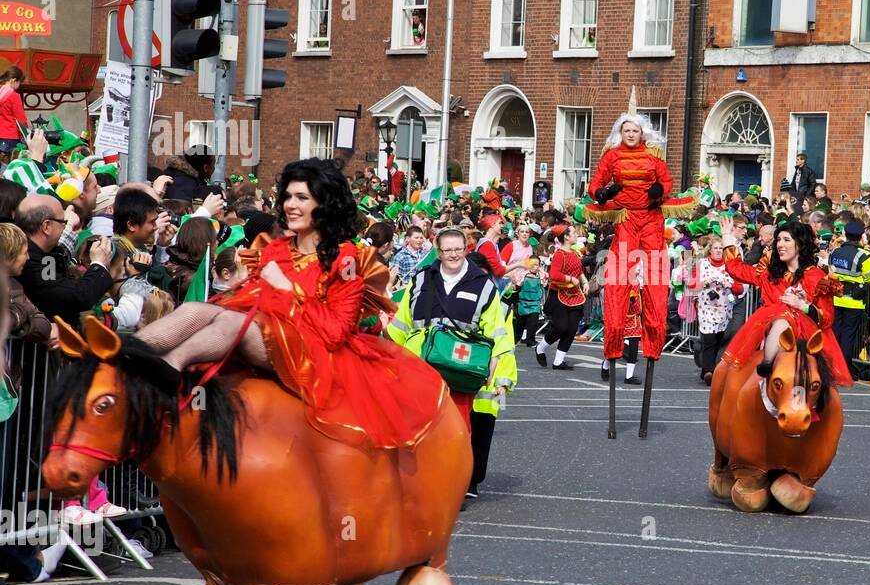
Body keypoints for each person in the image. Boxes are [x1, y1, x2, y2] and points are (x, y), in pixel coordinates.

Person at [135, 158, 448, 451]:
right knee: (198, 311)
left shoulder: (347, 259)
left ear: (324, 204)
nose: (291, 205)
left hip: (314, 355)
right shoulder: (276, 249)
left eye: (302, 197)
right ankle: (123, 351)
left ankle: (169, 368)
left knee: (231, 323)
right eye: (288, 196)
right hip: (266, 334)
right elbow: (249, 302)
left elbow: (336, 332)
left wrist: (288, 288)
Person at [388, 231, 516, 502]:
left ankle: (452, 489)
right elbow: (400, 325)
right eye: (448, 250)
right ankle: (415, 486)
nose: (454, 254)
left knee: (455, 433)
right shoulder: (421, 279)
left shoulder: (483, 286)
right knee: (416, 430)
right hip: (418, 368)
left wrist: (499, 372)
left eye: (458, 249)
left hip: (459, 370)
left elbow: (498, 333)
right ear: (438, 250)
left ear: (465, 249)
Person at [586, 109, 677, 374]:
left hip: (650, 216)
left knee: (655, 276)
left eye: (635, 131)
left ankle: (653, 342)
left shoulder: (653, 154)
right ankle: (613, 341)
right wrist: (602, 193)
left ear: (642, 133)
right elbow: (596, 183)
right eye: (627, 130)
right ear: (620, 133)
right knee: (619, 276)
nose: (631, 134)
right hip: (626, 217)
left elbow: (666, 180)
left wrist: (660, 190)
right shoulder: (612, 155)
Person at [717, 216, 852, 386]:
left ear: (800, 244)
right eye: (778, 240)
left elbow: (827, 320)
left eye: (786, 240)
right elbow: (737, 270)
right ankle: (767, 364)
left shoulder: (817, 278)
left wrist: (803, 306)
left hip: (805, 339)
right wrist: (727, 238)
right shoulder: (769, 273)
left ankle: (768, 364)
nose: (780, 244)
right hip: (768, 330)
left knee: (783, 319)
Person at [15, 195, 115, 324]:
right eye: (63, 222)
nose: (65, 227)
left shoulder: (44, 256)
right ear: (46, 227)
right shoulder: (30, 260)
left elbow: (56, 283)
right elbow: (74, 297)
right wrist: (99, 263)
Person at [535, 224, 587, 370]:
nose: (576, 235)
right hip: (558, 294)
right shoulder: (559, 254)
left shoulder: (575, 253)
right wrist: (571, 279)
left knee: (571, 329)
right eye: (574, 233)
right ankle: (540, 348)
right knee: (561, 327)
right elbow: (554, 275)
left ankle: (558, 361)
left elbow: (579, 270)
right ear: (566, 237)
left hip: (574, 295)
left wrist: (584, 281)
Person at [828, 219, 870, 382]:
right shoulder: (863, 255)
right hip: (854, 302)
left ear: (845, 234)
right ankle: (844, 369)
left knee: (836, 335)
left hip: (836, 299)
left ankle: (832, 367)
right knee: (848, 337)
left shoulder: (835, 252)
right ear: (861, 236)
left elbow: (831, 274)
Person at [693, 237, 741, 384]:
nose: (719, 251)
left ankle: (706, 369)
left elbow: (739, 288)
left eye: (721, 248)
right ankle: (709, 372)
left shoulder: (729, 265)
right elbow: (691, 284)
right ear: (710, 250)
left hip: (724, 309)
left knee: (718, 339)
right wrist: (705, 282)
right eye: (716, 248)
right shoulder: (702, 263)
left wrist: (729, 284)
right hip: (706, 308)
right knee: (709, 340)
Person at [0, 67, 28, 156]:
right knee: (9, 165)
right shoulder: (14, 96)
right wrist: (25, 134)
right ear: (14, 80)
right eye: (19, 82)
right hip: (10, 137)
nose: (19, 85)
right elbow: (20, 120)